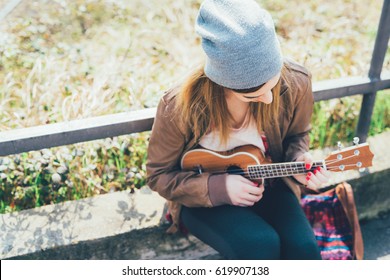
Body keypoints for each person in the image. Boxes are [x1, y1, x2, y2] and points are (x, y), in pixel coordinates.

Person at [146, 0, 331, 260]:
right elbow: (159, 175)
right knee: (259, 245)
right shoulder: (178, 105)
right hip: (201, 193)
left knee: (304, 250)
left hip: (272, 183)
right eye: (254, 94)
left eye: (272, 84)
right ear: (223, 82)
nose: (268, 99)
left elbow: (297, 136)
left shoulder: (297, 81)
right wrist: (218, 188)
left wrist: (299, 161)